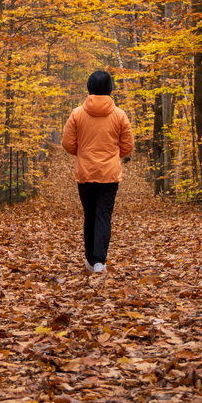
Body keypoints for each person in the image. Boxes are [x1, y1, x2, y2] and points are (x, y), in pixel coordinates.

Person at [60, 69, 133, 274]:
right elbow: (128, 145)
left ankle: (90, 260)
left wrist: (82, 153)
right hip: (109, 174)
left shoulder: (77, 114)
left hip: (85, 172)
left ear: (89, 88)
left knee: (90, 214)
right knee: (103, 215)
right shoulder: (119, 115)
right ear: (110, 89)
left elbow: (67, 144)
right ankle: (99, 261)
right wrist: (113, 156)